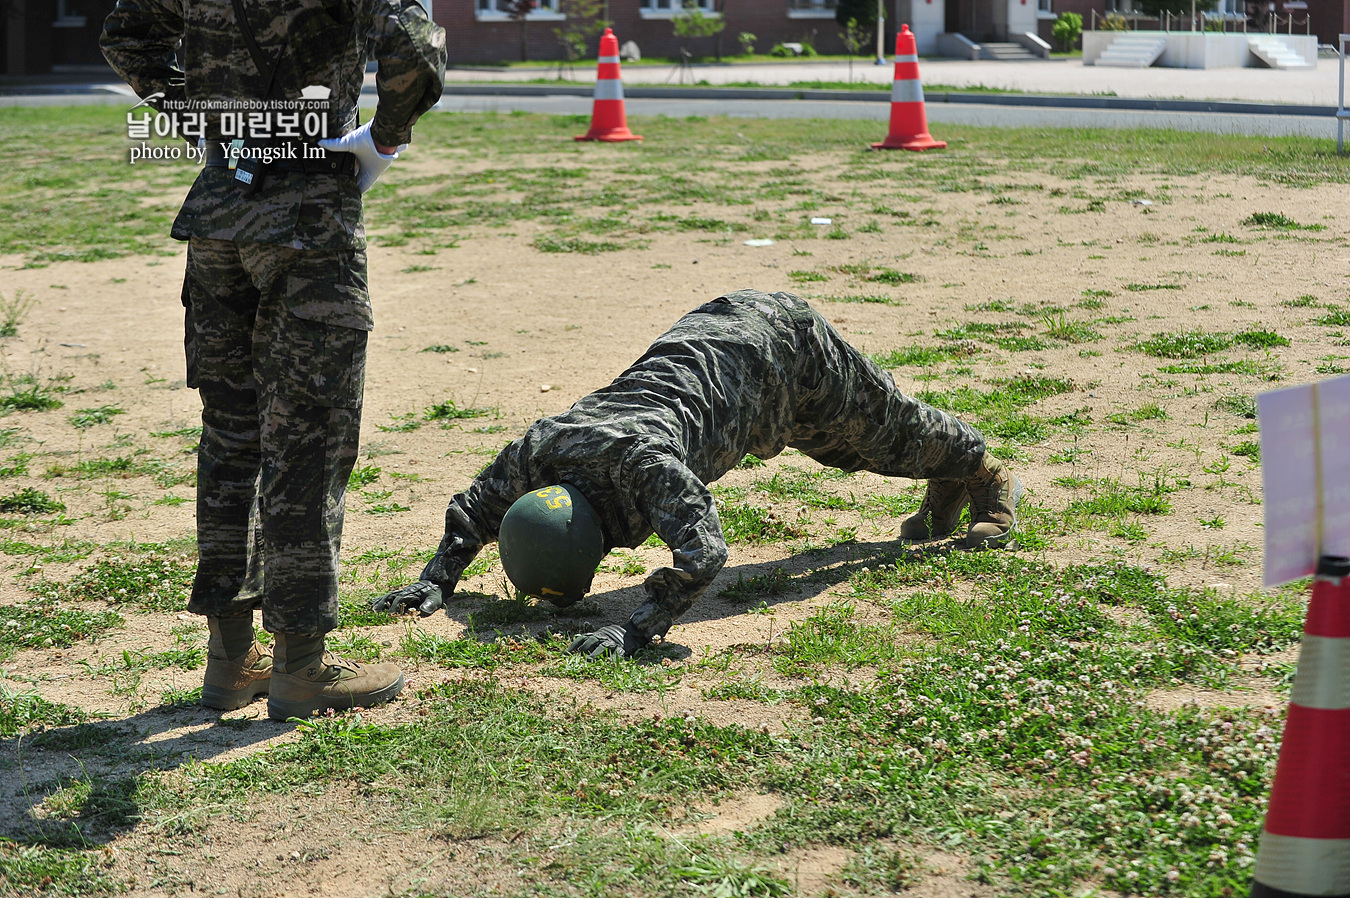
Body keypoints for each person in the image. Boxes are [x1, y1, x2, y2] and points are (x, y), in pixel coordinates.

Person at [101, 0, 446, 719]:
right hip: (309, 217)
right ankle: (301, 666)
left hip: (219, 210)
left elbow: (127, 34)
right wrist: (383, 139)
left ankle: (230, 660)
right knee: (309, 442)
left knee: (231, 438)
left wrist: (207, 119)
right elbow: (413, 52)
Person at [374, 289, 1022, 658]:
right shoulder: (545, 446)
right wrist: (437, 581)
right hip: (719, 347)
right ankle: (947, 475)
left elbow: (705, 553)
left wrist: (635, 627)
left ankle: (982, 473)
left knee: (877, 434)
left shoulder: (645, 465)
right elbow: (477, 507)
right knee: (857, 449)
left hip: (779, 348)